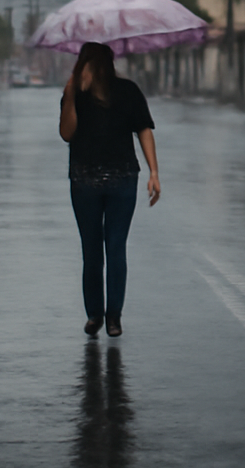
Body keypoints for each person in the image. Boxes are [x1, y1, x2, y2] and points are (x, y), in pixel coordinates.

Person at [59, 42, 161, 338]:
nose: (91, 69)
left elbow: (144, 129)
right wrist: (69, 97)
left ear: (107, 64)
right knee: (91, 252)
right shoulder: (74, 93)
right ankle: (95, 315)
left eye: (95, 63)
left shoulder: (127, 91)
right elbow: (67, 133)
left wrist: (154, 172)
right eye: (86, 63)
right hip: (83, 182)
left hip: (122, 180)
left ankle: (114, 316)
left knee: (115, 248)